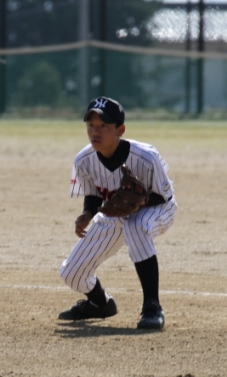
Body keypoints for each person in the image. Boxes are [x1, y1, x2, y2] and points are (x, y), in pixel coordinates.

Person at [58, 96, 178, 329]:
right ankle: (99, 303)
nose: (95, 131)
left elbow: (164, 195)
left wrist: (140, 202)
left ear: (120, 130)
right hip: (114, 214)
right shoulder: (83, 160)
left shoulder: (146, 156)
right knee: (71, 273)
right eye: (91, 125)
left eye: (104, 125)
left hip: (159, 208)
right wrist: (87, 213)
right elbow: (94, 194)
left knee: (136, 226)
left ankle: (152, 307)